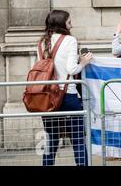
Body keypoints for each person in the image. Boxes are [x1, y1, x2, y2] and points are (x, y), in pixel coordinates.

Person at [38, 10, 93, 166]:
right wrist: (83, 62)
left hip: (48, 98)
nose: (71, 25)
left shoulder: (42, 42)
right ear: (62, 24)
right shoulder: (69, 40)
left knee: (51, 141)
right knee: (77, 140)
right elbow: (71, 69)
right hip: (68, 96)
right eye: (69, 22)